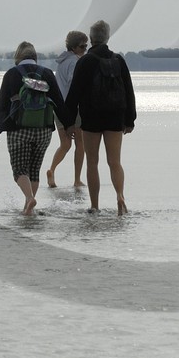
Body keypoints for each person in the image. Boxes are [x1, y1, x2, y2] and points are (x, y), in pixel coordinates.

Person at [64, 19, 136, 215]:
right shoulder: (118, 60)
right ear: (108, 37)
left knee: (92, 162)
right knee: (115, 162)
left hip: (91, 117)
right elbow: (129, 91)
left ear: (91, 38)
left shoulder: (85, 61)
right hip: (115, 117)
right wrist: (130, 120)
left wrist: (69, 122)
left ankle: (95, 206)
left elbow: (74, 94)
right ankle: (120, 196)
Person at [0, 42, 71, 216]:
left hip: (18, 129)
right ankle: (29, 207)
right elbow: (58, 102)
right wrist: (68, 125)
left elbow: (2, 102)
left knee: (20, 170)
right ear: (35, 57)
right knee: (34, 169)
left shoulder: (12, 74)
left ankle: (29, 199)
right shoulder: (47, 73)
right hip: (43, 129)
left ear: (17, 57)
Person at [45, 30, 88, 189]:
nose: (85, 49)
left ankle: (52, 169)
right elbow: (73, 83)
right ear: (74, 47)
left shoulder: (62, 62)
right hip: (73, 107)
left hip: (59, 108)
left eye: (86, 46)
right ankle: (77, 179)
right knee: (80, 143)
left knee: (65, 144)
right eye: (82, 46)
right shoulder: (75, 62)